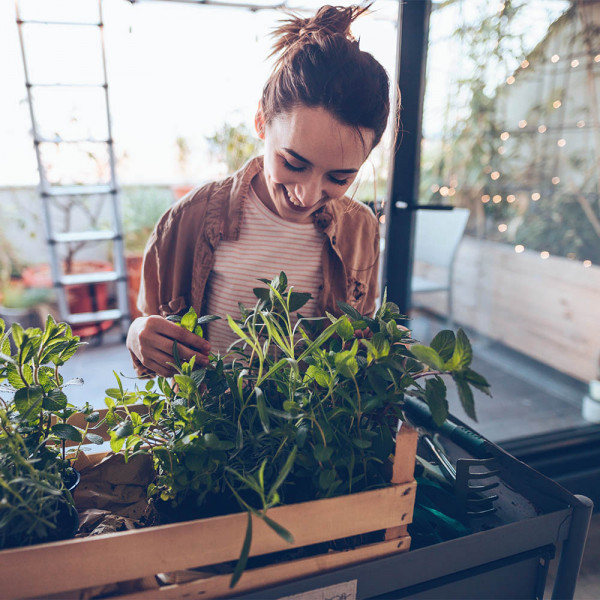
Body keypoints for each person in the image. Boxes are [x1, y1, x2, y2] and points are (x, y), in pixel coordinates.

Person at [127, 4, 395, 378]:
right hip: (212, 428)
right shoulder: (187, 219)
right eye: (294, 164)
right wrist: (138, 334)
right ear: (261, 122)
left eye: (339, 178)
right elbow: (149, 322)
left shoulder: (361, 228)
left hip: (314, 431)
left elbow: (358, 340)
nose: (307, 195)